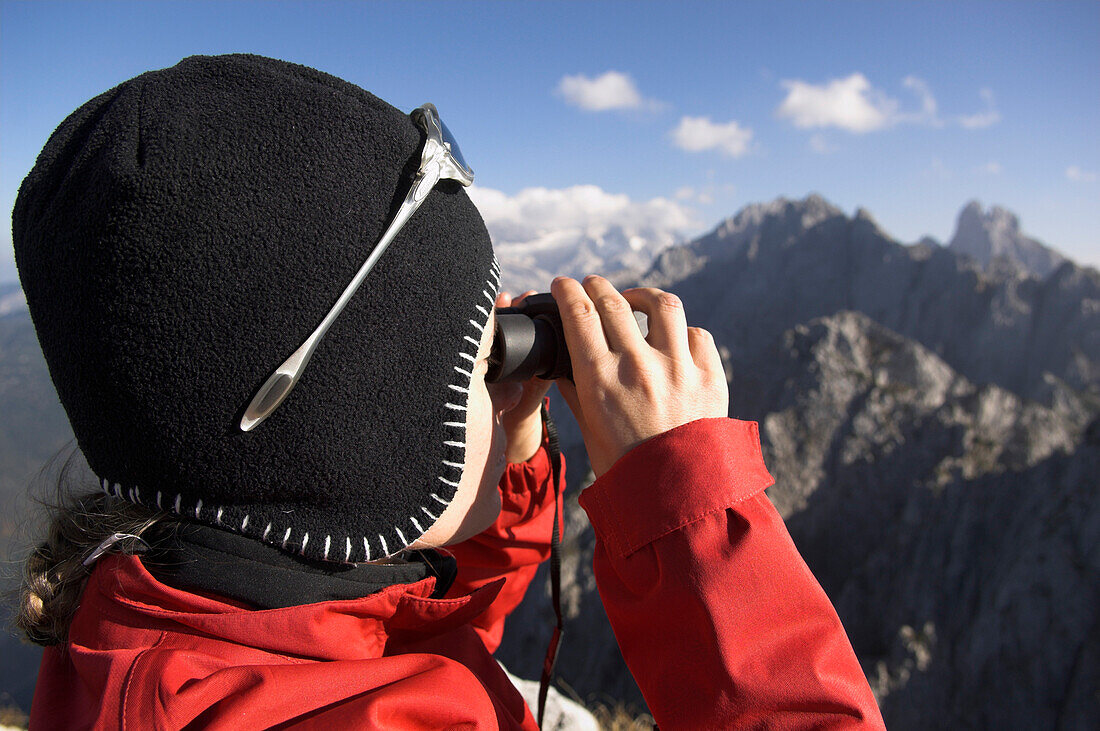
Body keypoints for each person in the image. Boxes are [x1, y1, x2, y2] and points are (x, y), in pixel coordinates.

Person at [13, 54, 885, 729]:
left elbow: (390, 626)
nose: (499, 375)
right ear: (355, 432)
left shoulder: (170, 611)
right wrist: (691, 511)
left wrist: (495, 469)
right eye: (468, 357)